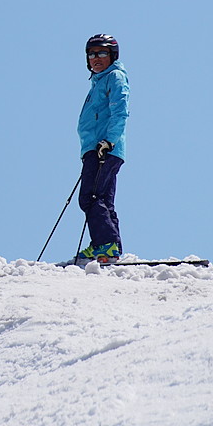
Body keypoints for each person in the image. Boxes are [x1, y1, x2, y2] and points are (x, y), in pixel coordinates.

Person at [76, 34, 129, 265]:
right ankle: (110, 246)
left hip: (104, 147)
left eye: (102, 53)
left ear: (112, 56)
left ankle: (104, 244)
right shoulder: (98, 83)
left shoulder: (114, 77)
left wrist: (109, 141)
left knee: (90, 196)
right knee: (103, 199)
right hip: (96, 148)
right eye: (92, 54)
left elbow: (120, 110)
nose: (96, 58)